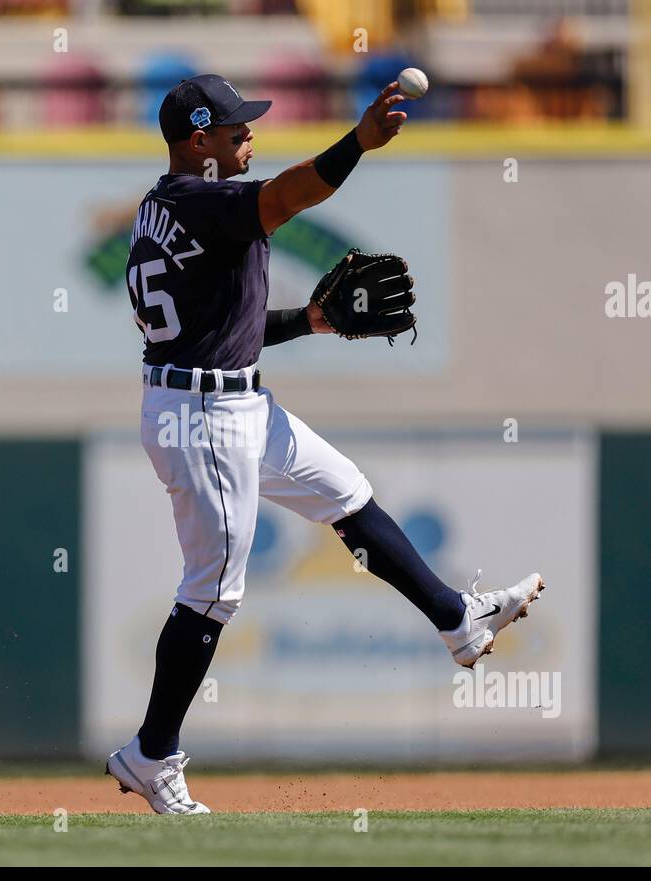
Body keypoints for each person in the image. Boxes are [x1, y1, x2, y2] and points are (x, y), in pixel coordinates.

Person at [108, 74, 544, 814]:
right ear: (198, 140)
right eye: (236, 128)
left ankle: (456, 619)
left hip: (222, 394)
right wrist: (358, 144)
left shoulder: (166, 206)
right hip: (202, 416)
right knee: (213, 591)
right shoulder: (205, 200)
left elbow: (217, 325)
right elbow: (288, 196)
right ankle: (152, 753)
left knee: (343, 493)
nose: (250, 135)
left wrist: (308, 320)